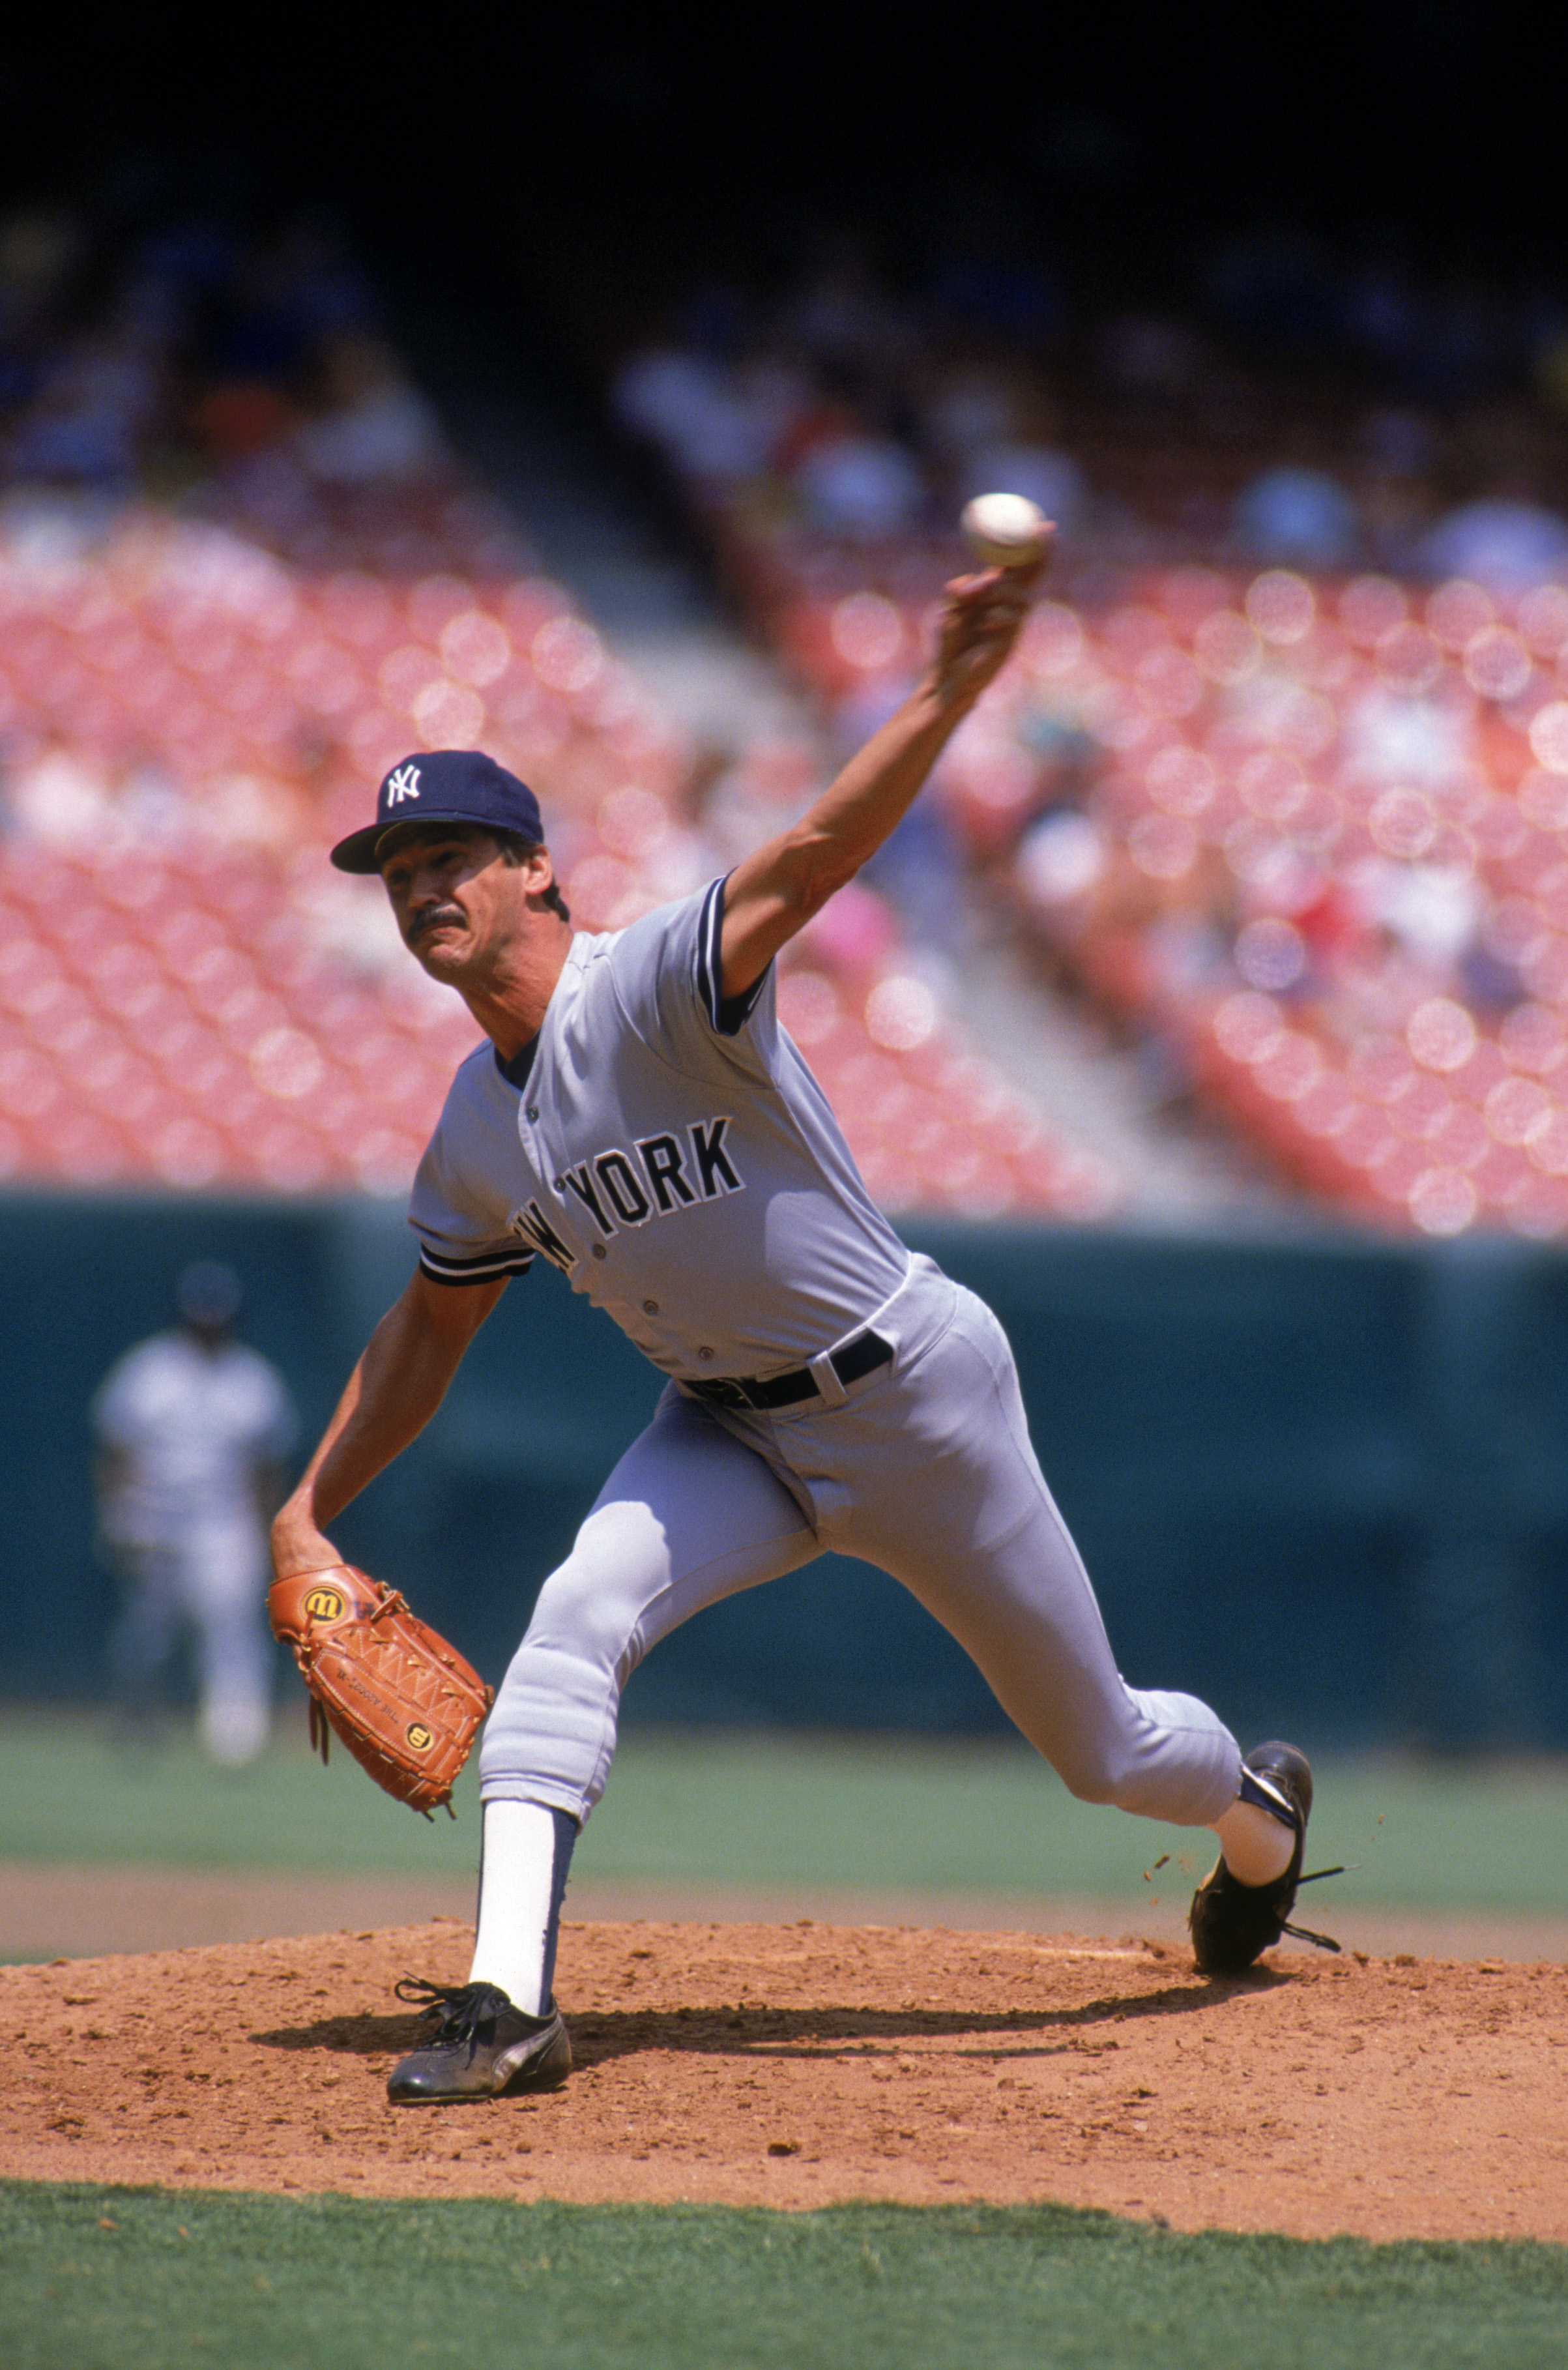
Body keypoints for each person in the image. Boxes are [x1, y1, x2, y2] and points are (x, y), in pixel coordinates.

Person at [271, 549, 1323, 2106]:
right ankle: (508, 2000)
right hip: (722, 1427)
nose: (422, 883)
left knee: (1100, 1750)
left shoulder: (653, 990)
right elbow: (426, 1330)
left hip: (911, 1398)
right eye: (398, 864)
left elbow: (818, 847)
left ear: (536, 871)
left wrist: (949, 686)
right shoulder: (467, 1135)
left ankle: (1256, 1816)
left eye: (455, 853)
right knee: (574, 1612)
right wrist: (304, 1509)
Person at [94, 1261, 297, 1765]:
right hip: (154, 1515)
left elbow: (267, 1466)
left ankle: (235, 1738)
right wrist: (118, 1516)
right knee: (147, 1635)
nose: (209, 1326)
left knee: (231, 1626)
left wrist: (266, 1533)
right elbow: (117, 1450)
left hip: (222, 1522)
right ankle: (135, 1720)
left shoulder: (251, 1380)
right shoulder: (149, 1371)